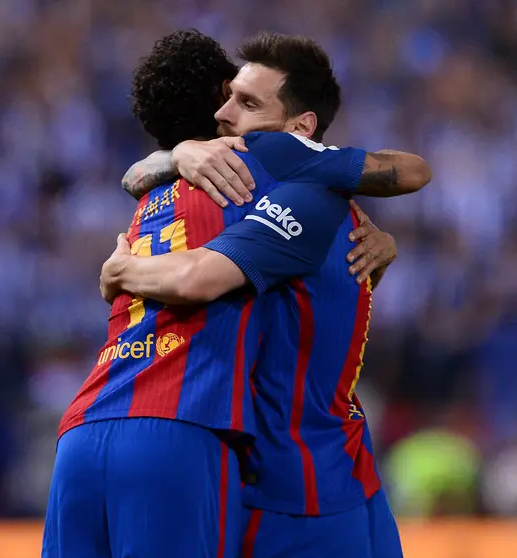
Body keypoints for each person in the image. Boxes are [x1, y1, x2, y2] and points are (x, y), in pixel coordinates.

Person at [43, 30, 426, 558]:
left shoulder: (187, 192)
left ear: (300, 130)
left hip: (299, 490)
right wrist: (178, 154)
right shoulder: (270, 193)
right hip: (278, 475)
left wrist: (120, 270)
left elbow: (197, 270)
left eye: (245, 102)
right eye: (226, 99)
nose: (227, 114)